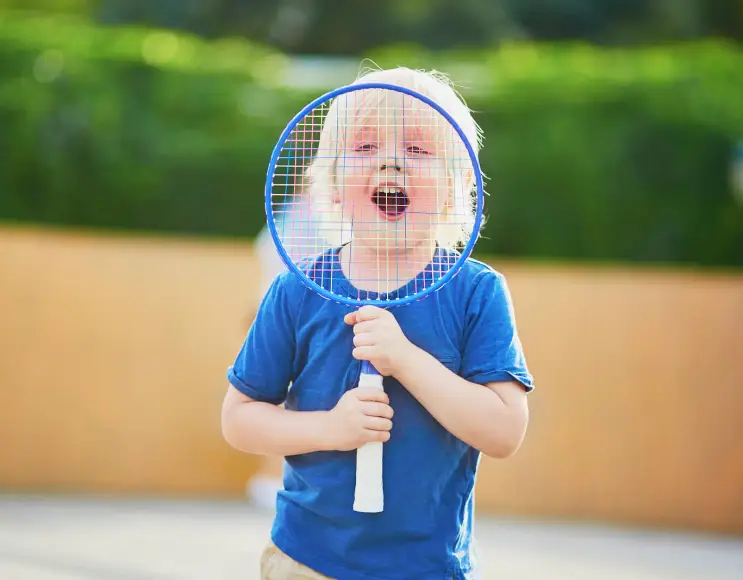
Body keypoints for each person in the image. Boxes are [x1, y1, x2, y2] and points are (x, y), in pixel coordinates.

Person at [221, 66, 533, 580]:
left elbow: (503, 432)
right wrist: (329, 428)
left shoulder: (476, 292)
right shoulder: (297, 290)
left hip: (428, 566)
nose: (392, 163)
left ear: (457, 190)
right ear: (332, 187)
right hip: (305, 558)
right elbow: (239, 419)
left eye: (417, 149)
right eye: (365, 148)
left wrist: (405, 359)